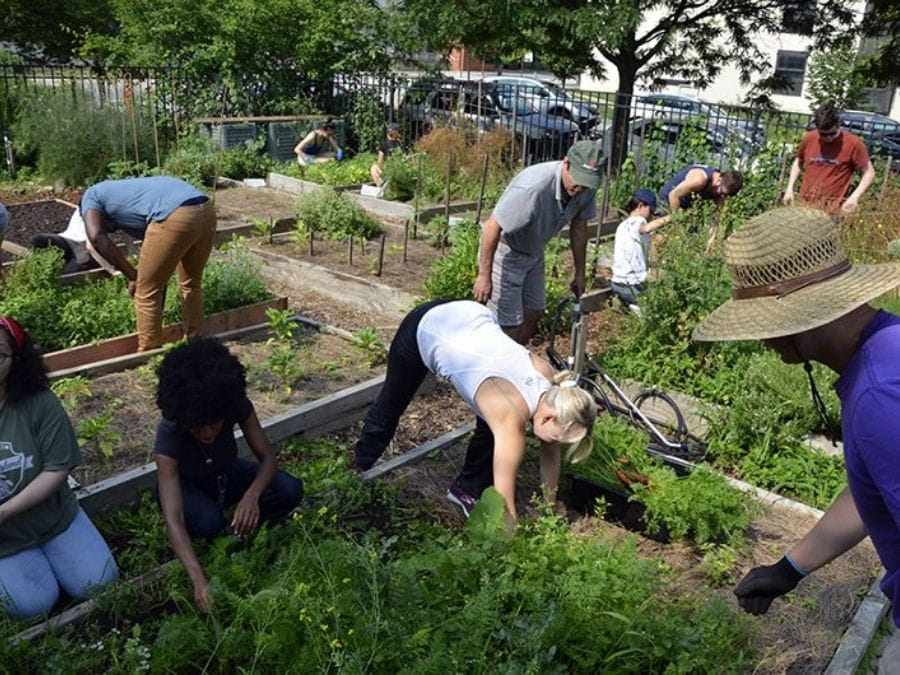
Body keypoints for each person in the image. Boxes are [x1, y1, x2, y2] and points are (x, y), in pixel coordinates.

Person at [692, 206, 900, 628]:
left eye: (761, 324)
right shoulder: (886, 347)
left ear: (799, 318)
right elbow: (874, 492)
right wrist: (789, 569)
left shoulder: (878, 395)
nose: (761, 339)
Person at [352, 299, 597, 521]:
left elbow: (550, 452)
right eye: (559, 438)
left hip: (470, 315)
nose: (556, 443)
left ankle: (465, 489)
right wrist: (510, 540)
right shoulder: (509, 413)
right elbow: (504, 504)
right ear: (549, 417)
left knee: (494, 426)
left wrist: (548, 508)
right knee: (392, 402)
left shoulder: (551, 388)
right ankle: (358, 467)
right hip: (428, 327)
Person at [154, 338, 303, 612]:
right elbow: (172, 519)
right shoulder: (170, 434)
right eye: (198, 429)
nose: (207, 433)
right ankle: (222, 527)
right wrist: (199, 581)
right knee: (210, 521)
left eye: (213, 425)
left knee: (290, 488)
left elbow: (268, 457)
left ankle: (244, 528)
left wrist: (252, 495)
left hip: (226, 472)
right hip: (190, 485)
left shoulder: (235, 405)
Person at [0, 315, 118, 620]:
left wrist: (4, 511)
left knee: (100, 582)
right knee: (32, 605)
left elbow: (56, 469)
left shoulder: (38, 403)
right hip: (5, 539)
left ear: (16, 360)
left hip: (53, 517)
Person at [473, 140, 603, 344]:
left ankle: (515, 359)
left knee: (535, 311)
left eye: (587, 183)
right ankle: (495, 366)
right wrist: (484, 276)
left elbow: (579, 228)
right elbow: (491, 227)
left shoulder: (586, 187)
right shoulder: (533, 188)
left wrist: (580, 273)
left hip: (534, 252)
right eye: (578, 180)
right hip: (507, 251)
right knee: (507, 324)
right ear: (566, 164)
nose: (580, 189)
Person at [81, 175, 217, 351]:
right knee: (191, 284)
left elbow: (97, 237)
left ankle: (150, 353)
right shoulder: (125, 195)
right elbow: (161, 269)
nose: (112, 230)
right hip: (205, 209)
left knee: (145, 293)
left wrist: (133, 276)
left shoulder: (90, 197)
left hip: (174, 213)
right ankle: (196, 343)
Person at [783, 102, 876, 215]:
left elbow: (869, 172)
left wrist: (854, 197)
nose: (828, 138)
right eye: (823, 135)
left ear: (838, 125)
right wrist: (789, 189)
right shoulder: (809, 138)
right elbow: (798, 161)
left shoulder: (854, 143)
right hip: (805, 206)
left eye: (832, 133)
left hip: (833, 209)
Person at [610, 188, 672, 315]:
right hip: (631, 285)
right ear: (640, 206)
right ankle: (638, 309)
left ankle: (625, 303)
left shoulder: (622, 226)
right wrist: (670, 218)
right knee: (659, 306)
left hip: (617, 283)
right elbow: (645, 229)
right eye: (650, 210)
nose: (650, 215)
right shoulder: (638, 220)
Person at [659, 164, 743, 255]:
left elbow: (716, 216)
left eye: (726, 195)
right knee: (661, 238)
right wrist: (677, 223)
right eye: (722, 192)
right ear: (719, 180)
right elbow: (673, 195)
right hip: (669, 199)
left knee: (687, 243)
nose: (722, 197)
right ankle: (652, 267)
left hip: (686, 207)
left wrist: (711, 239)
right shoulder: (699, 179)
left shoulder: (721, 191)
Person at [31, 209, 101, 275]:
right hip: (67, 238)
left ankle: (63, 275)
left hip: (85, 245)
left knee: (74, 269)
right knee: (38, 240)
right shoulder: (88, 201)